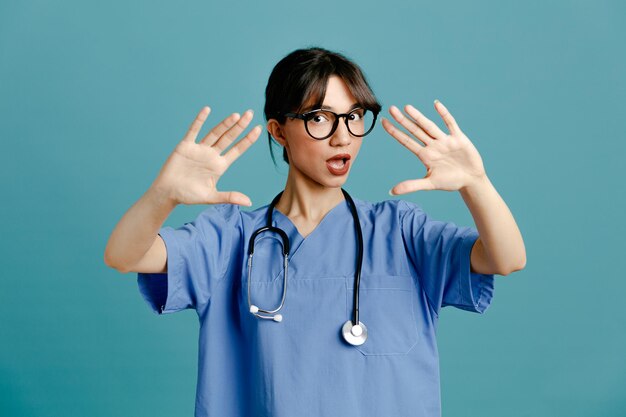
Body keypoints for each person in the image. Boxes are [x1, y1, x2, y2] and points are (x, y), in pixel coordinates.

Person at [104, 47, 526, 417]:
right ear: (278, 130)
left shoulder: (400, 232)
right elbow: (125, 256)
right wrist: (164, 196)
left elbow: (506, 259)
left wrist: (476, 184)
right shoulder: (230, 239)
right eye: (319, 118)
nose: (343, 136)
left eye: (354, 116)